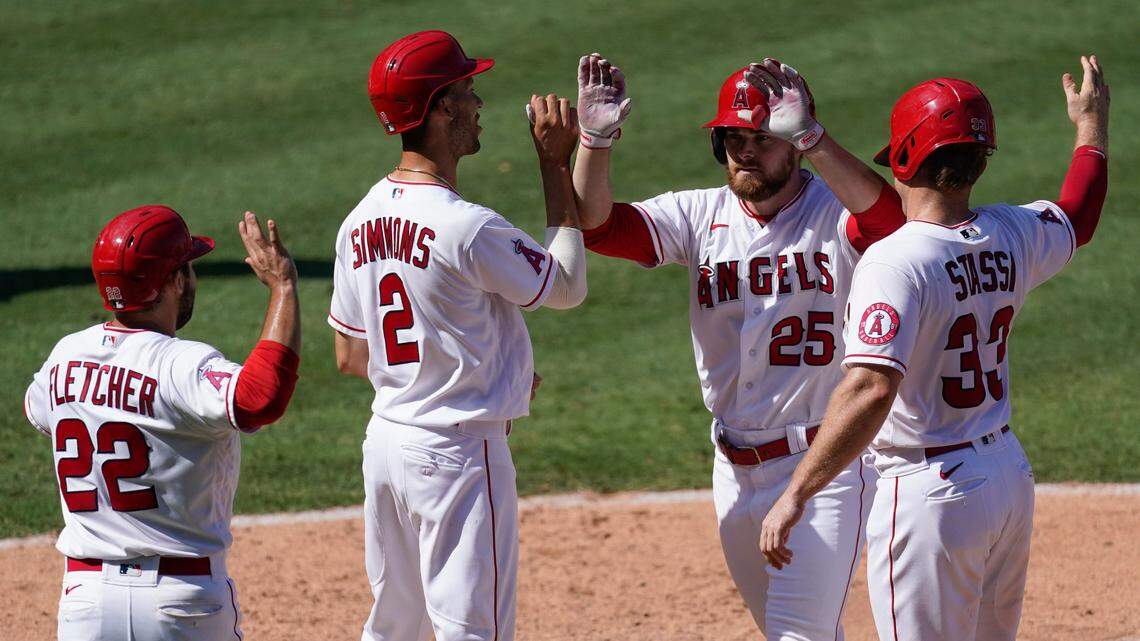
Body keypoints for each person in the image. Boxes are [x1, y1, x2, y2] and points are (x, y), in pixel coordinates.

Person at [759, 56, 1110, 641]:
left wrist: (797, 491)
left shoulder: (895, 261)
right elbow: (1080, 213)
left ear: (905, 156)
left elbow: (872, 386)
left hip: (931, 494)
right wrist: (1091, 126)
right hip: (1006, 479)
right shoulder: (1012, 231)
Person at [573, 54, 905, 639]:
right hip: (732, 467)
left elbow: (889, 222)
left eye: (762, 137)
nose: (744, 151)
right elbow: (598, 227)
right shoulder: (701, 215)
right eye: (732, 138)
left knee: (797, 632)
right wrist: (594, 142)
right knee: (791, 630)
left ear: (794, 144)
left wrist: (814, 138)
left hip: (821, 466)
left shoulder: (836, 213)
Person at [329, 30, 587, 641]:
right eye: (468, 90)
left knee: (396, 626)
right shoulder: (467, 227)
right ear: (441, 108)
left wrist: (477, 364)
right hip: (457, 456)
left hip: (387, 446)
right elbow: (568, 285)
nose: (478, 104)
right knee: (474, 631)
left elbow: (350, 354)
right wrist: (554, 162)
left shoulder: (357, 220)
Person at [24, 205, 301, 641]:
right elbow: (259, 399)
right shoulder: (182, 364)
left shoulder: (65, 356)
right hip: (181, 602)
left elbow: (39, 411)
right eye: (187, 268)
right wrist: (283, 287)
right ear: (173, 282)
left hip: (86, 602)